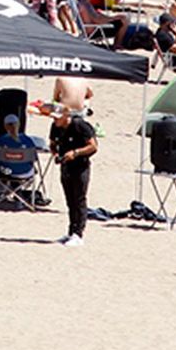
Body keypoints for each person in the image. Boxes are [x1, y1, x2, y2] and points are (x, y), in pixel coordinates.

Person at [50, 106, 97, 247]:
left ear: (66, 116)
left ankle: (79, 233)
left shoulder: (79, 125)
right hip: (66, 166)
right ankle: (71, 231)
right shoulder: (55, 127)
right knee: (69, 200)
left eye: (58, 117)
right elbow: (52, 143)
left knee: (79, 199)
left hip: (80, 166)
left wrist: (75, 153)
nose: (55, 120)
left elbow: (93, 146)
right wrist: (55, 152)